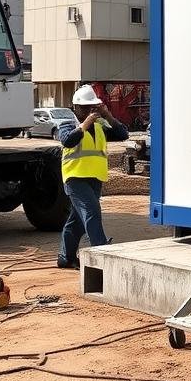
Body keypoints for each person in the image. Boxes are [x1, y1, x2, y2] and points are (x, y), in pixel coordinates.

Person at [56, 85, 129, 269]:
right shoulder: (67, 124)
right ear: (76, 107)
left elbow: (123, 134)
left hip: (95, 179)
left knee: (77, 222)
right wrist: (86, 123)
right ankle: (101, 251)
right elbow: (68, 140)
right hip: (75, 178)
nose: (90, 110)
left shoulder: (100, 126)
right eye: (86, 107)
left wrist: (107, 115)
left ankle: (66, 258)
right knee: (91, 211)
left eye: (93, 106)